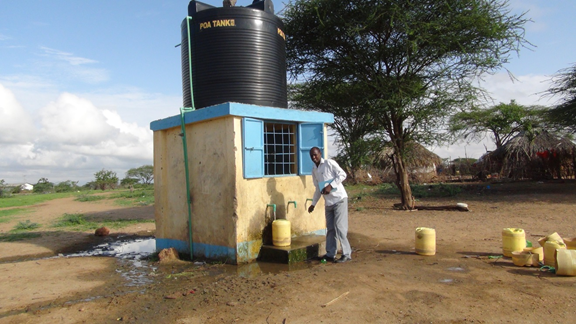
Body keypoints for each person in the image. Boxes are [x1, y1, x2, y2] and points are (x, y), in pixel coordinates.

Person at [307, 147, 352, 263]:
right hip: (328, 202)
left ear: (320, 154)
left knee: (340, 228)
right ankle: (330, 254)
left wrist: (330, 186)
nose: (314, 157)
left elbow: (342, 175)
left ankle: (346, 254)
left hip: (339, 199)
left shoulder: (329, 163)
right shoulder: (314, 170)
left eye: (315, 155)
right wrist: (313, 204)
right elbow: (318, 188)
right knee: (330, 229)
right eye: (311, 155)